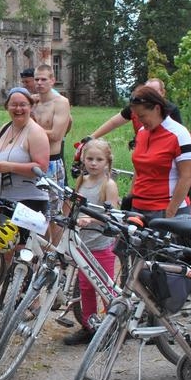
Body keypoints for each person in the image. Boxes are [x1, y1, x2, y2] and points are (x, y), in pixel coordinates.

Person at [63, 138, 120, 345]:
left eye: (99, 160)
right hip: (83, 244)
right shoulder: (82, 181)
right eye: (90, 159)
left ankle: (113, 328)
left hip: (101, 245)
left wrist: (91, 219)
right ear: (83, 160)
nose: (94, 163)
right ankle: (89, 326)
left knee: (105, 287)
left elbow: (112, 215)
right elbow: (74, 207)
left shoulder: (108, 185)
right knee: (85, 287)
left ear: (107, 162)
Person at [0, 87, 51, 221]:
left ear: (30, 107)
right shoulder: (4, 128)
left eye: (23, 105)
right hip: (6, 201)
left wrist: (10, 167)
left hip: (29, 202)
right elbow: (0, 154)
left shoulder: (35, 132)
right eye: (14, 105)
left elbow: (42, 168)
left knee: (12, 237)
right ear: (7, 107)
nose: (18, 109)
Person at [128, 85, 191, 218]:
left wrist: (170, 213)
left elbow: (187, 177)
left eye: (142, 116)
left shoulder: (180, 134)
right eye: (137, 117)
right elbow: (139, 168)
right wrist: (130, 196)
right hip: (138, 207)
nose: (140, 121)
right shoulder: (142, 132)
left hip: (166, 208)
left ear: (157, 109)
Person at [84, 78, 182, 150]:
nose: (150, 95)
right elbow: (114, 122)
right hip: (142, 146)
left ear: (163, 93)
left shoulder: (171, 110)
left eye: (154, 92)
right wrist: (92, 137)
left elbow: (178, 137)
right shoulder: (136, 107)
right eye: (147, 91)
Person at [31, 65, 71, 186]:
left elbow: (55, 135)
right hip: (31, 160)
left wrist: (28, 132)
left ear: (52, 81)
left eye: (43, 79)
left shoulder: (60, 102)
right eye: (37, 79)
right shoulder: (32, 102)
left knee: (52, 198)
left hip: (51, 160)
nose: (39, 83)